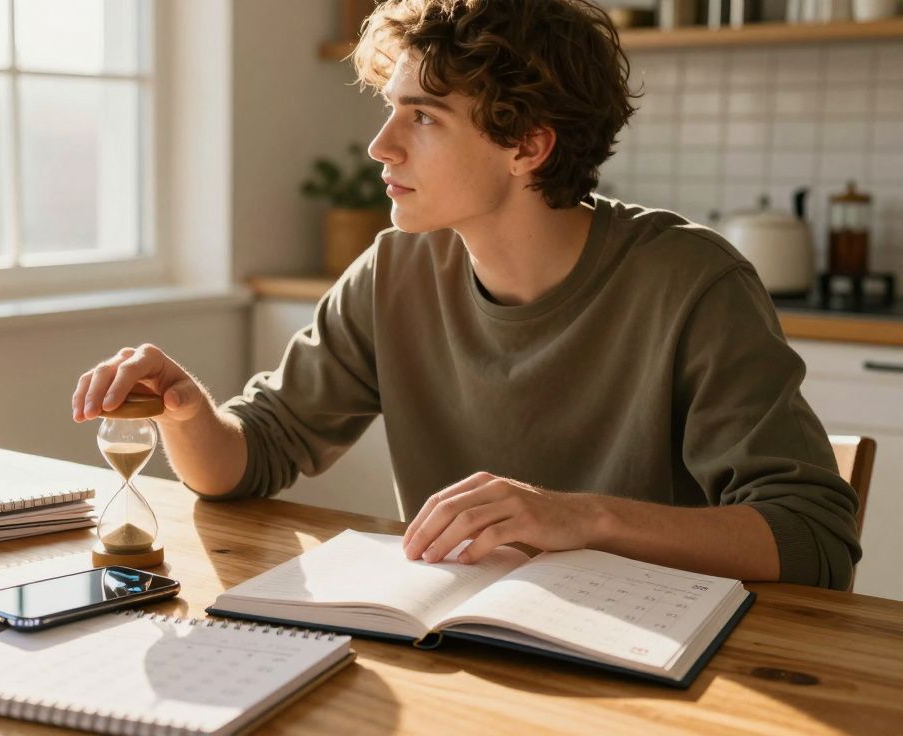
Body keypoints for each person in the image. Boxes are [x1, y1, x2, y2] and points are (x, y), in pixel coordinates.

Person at [71, 0, 861, 590]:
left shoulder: (691, 283)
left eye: (423, 118)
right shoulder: (394, 272)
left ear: (527, 144)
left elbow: (812, 537)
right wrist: (187, 409)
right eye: (391, 112)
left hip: (665, 670)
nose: (381, 146)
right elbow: (250, 459)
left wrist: (579, 517)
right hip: (464, 649)